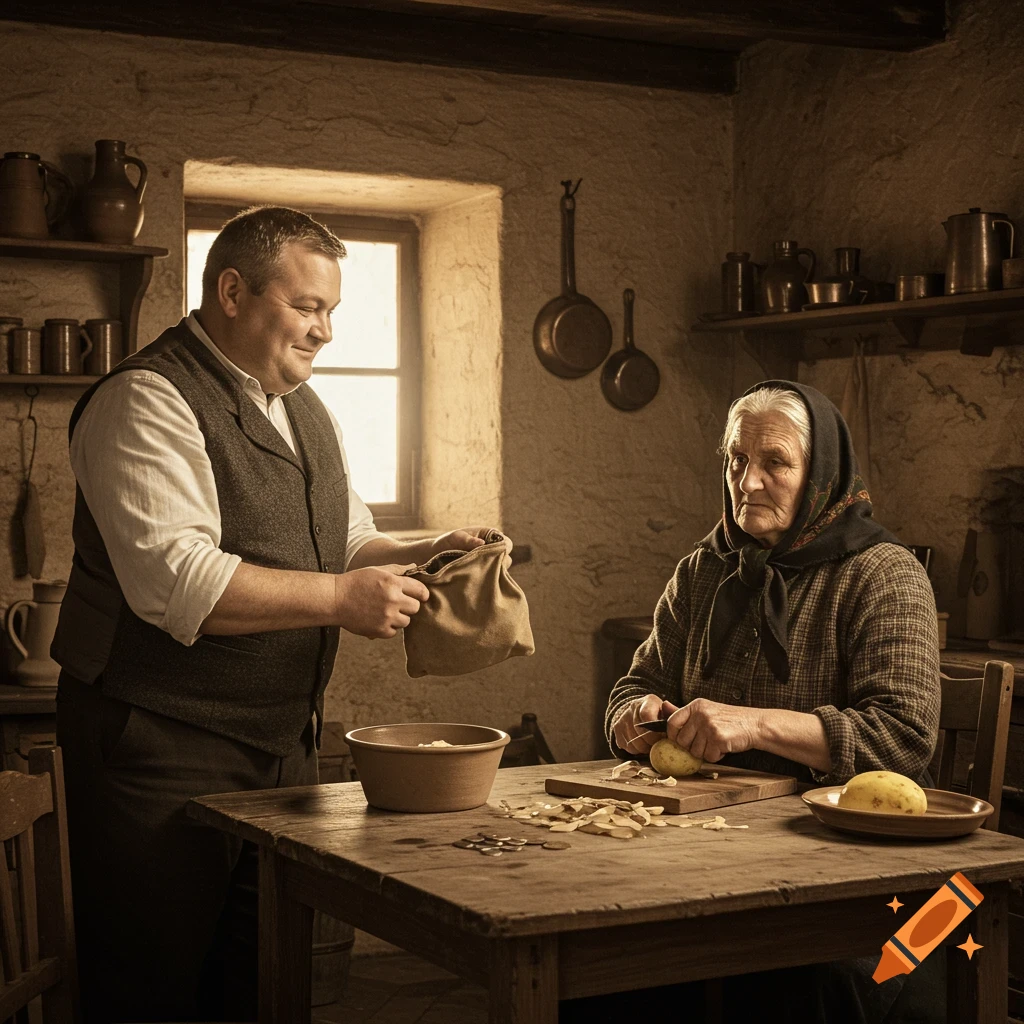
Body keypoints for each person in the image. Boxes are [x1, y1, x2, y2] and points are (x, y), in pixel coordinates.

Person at [52, 206, 501, 1023]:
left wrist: (429, 549)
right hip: (156, 745)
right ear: (232, 292)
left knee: (260, 983)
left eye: (331, 310)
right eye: (307, 306)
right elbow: (179, 584)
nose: (325, 331)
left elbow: (347, 538)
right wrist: (342, 599)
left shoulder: (304, 409)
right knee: (150, 991)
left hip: (279, 744)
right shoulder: (145, 400)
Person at [600, 380, 942, 1024]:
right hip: (728, 857)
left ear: (821, 475)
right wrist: (636, 716)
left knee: (798, 981)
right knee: (607, 961)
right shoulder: (705, 568)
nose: (747, 481)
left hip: (894, 877)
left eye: (774, 462)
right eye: (736, 458)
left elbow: (903, 738)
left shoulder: (885, 574)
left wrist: (753, 725)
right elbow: (632, 685)